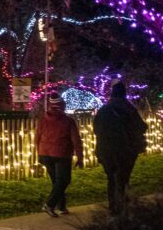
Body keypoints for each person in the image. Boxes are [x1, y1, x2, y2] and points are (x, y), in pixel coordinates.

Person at [93, 82, 148, 215]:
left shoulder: (103, 110)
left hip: (105, 150)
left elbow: (96, 129)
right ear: (124, 94)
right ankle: (121, 204)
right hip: (126, 149)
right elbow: (141, 127)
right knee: (123, 177)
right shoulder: (129, 109)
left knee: (111, 178)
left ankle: (113, 205)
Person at [35, 92, 84, 217]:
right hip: (61, 154)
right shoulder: (68, 121)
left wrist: (39, 153)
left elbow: (37, 138)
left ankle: (62, 207)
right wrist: (80, 156)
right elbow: (76, 140)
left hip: (45, 154)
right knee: (64, 180)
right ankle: (50, 205)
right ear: (62, 106)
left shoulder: (42, 120)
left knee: (57, 182)